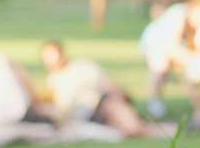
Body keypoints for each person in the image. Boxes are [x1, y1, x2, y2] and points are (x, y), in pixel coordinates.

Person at [40, 42, 171, 138]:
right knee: (128, 132)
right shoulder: (51, 81)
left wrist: (119, 96)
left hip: (103, 104)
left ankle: (174, 131)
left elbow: (107, 84)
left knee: (134, 129)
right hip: (87, 118)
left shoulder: (81, 66)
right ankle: (171, 130)